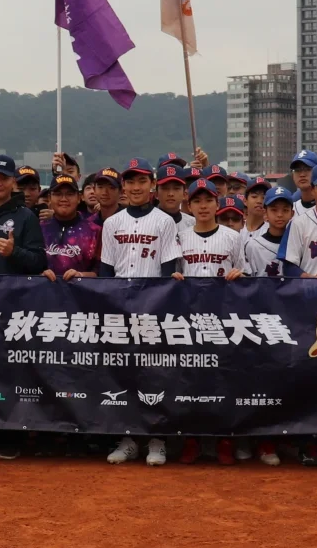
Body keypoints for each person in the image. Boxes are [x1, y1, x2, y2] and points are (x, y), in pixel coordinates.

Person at [100, 160, 184, 468]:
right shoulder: (112, 223)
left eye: (142, 181)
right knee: (123, 375)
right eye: (131, 181)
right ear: (124, 185)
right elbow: (106, 271)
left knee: (155, 375)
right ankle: (128, 438)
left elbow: (167, 270)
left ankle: (157, 439)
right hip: (120, 308)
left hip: (152, 308)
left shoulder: (165, 222)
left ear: (152, 185)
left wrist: (157, 307)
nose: (136, 187)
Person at [172, 179, 244, 466]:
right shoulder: (180, 237)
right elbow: (173, 274)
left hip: (222, 318)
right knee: (191, 381)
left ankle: (224, 439)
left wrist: (240, 275)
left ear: (217, 203)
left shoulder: (232, 237)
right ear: (189, 205)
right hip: (189, 319)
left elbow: (245, 274)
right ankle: (192, 439)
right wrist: (174, 279)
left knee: (222, 380)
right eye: (197, 201)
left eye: (208, 200)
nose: (203, 206)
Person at [39, 175, 100, 280]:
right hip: (45, 289)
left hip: (81, 290)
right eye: (58, 194)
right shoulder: (39, 229)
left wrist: (80, 276)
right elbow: (27, 269)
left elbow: (101, 272)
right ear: (49, 198)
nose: (64, 199)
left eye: (70, 194)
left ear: (79, 198)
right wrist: (39, 276)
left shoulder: (95, 230)